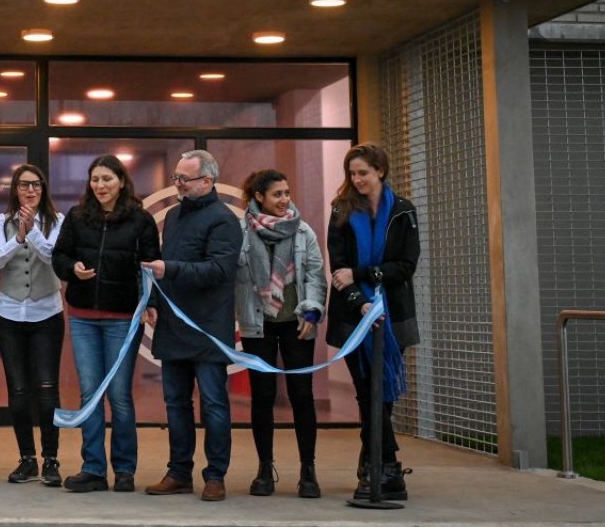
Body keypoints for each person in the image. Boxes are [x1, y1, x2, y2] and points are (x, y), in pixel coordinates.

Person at [51, 154, 159, 494]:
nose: (100, 185)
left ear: (121, 182)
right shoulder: (77, 216)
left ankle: (124, 469)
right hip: (82, 317)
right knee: (89, 393)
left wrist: (151, 303)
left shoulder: (140, 219)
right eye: (95, 179)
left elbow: (152, 264)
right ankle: (93, 469)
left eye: (107, 179)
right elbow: (59, 256)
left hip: (123, 319)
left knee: (119, 395)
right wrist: (72, 270)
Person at [142, 150, 240, 502]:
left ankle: (215, 476)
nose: (178, 184)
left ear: (207, 181)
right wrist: (153, 301)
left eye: (185, 178)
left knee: (213, 404)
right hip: (173, 325)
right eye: (176, 178)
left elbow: (219, 271)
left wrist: (170, 270)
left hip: (208, 327)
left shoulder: (224, 220)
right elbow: (164, 265)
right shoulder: (173, 216)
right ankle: (179, 472)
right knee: (176, 404)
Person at [326, 143, 420, 501]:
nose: (356, 179)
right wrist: (362, 302)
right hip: (353, 315)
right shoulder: (342, 210)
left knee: (382, 396)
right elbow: (339, 270)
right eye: (352, 173)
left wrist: (363, 273)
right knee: (368, 392)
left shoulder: (403, 210)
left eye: (363, 172)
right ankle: (386, 468)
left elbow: (406, 266)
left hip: (393, 314)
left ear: (380, 170)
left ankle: (375, 468)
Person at [235, 168, 327, 499]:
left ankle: (308, 470)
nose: (284, 199)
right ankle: (264, 468)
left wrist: (313, 310)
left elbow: (316, 274)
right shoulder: (241, 232)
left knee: (302, 394)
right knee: (262, 395)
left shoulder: (302, 231)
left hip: (296, 323)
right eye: (277, 194)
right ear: (259, 197)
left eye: (287, 192)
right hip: (257, 324)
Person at [0, 163, 66, 487]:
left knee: (47, 388)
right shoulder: (2, 221)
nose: (30, 190)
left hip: (46, 312)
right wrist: (18, 235)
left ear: (43, 189)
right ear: (15, 190)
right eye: (23, 185)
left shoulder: (57, 220)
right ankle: (27, 458)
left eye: (35, 185)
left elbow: (52, 257)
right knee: (18, 390)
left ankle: (51, 459)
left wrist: (31, 230)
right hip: (9, 313)